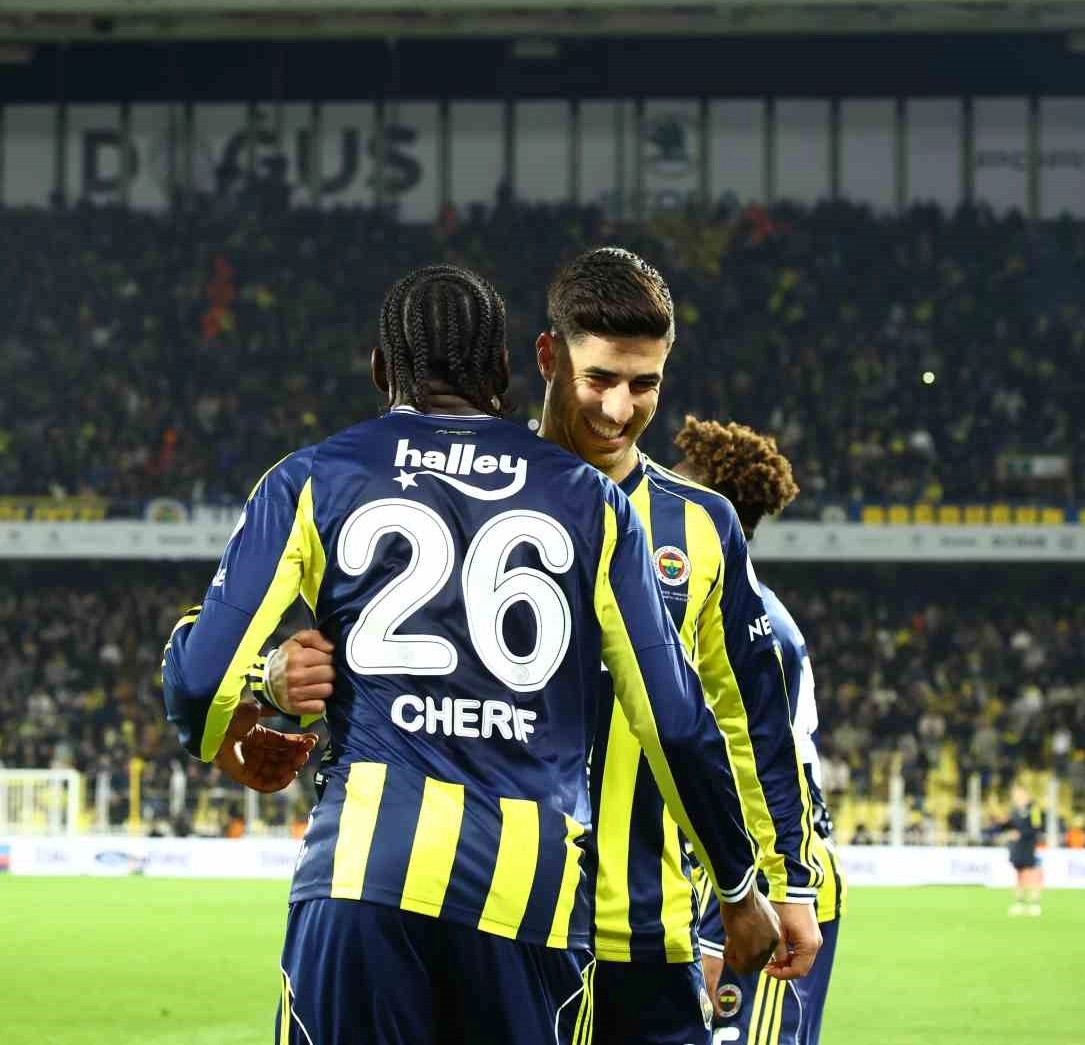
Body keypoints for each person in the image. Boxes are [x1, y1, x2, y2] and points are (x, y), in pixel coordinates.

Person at [160, 264, 780, 1045]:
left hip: (361, 873)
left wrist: (233, 725)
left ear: (380, 370)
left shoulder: (312, 477)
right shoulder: (594, 502)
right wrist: (737, 887)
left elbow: (198, 679)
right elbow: (676, 722)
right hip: (527, 894)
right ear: (505, 371)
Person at [675, 418, 844, 1045]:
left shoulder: (755, 626)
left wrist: (720, 928)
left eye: (676, 489)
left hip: (769, 873)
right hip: (723, 874)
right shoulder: (695, 610)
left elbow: (761, 771)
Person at [1004, 785, 1044, 916]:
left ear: (1024, 794)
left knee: (1032, 874)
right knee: (1019, 874)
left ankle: (1035, 903)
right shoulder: (1015, 810)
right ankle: (1019, 903)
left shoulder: (1034, 809)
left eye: (1017, 794)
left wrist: (1020, 834)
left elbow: (1037, 828)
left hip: (1029, 846)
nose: (1014, 797)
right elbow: (1010, 825)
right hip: (1017, 847)